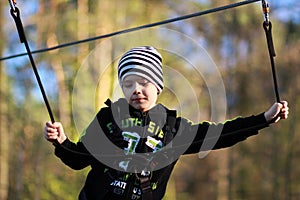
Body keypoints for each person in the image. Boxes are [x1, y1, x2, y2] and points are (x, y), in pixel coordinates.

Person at [44, 46, 289, 200]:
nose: (136, 90)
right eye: (128, 84)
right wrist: (61, 141)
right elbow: (78, 159)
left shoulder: (174, 129)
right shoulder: (108, 119)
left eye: (144, 82)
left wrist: (263, 119)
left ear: (158, 87)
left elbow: (220, 134)